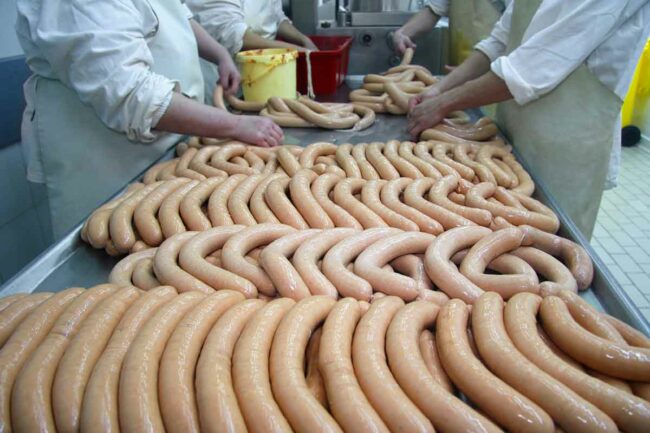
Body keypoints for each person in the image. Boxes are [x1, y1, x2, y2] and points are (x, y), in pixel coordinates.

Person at [16, 0, 284, 239]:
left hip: (165, 145)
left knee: (166, 237)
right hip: (102, 154)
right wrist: (235, 124)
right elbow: (130, 93)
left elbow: (174, 13)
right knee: (109, 244)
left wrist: (219, 53)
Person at [407, 0, 650, 238]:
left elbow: (534, 66)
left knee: (550, 240)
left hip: (567, 149)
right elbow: (500, 41)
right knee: (497, 222)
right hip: (512, 136)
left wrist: (445, 102)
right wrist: (441, 89)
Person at [393, 0, 509, 65]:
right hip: (458, 69)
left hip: (492, 73)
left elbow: (512, 35)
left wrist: (471, 70)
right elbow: (434, 9)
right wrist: (404, 33)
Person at [187, 0, 318, 56]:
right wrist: (296, 51)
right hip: (224, 81)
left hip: (262, 74)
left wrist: (303, 40)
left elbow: (275, 15)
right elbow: (233, 34)